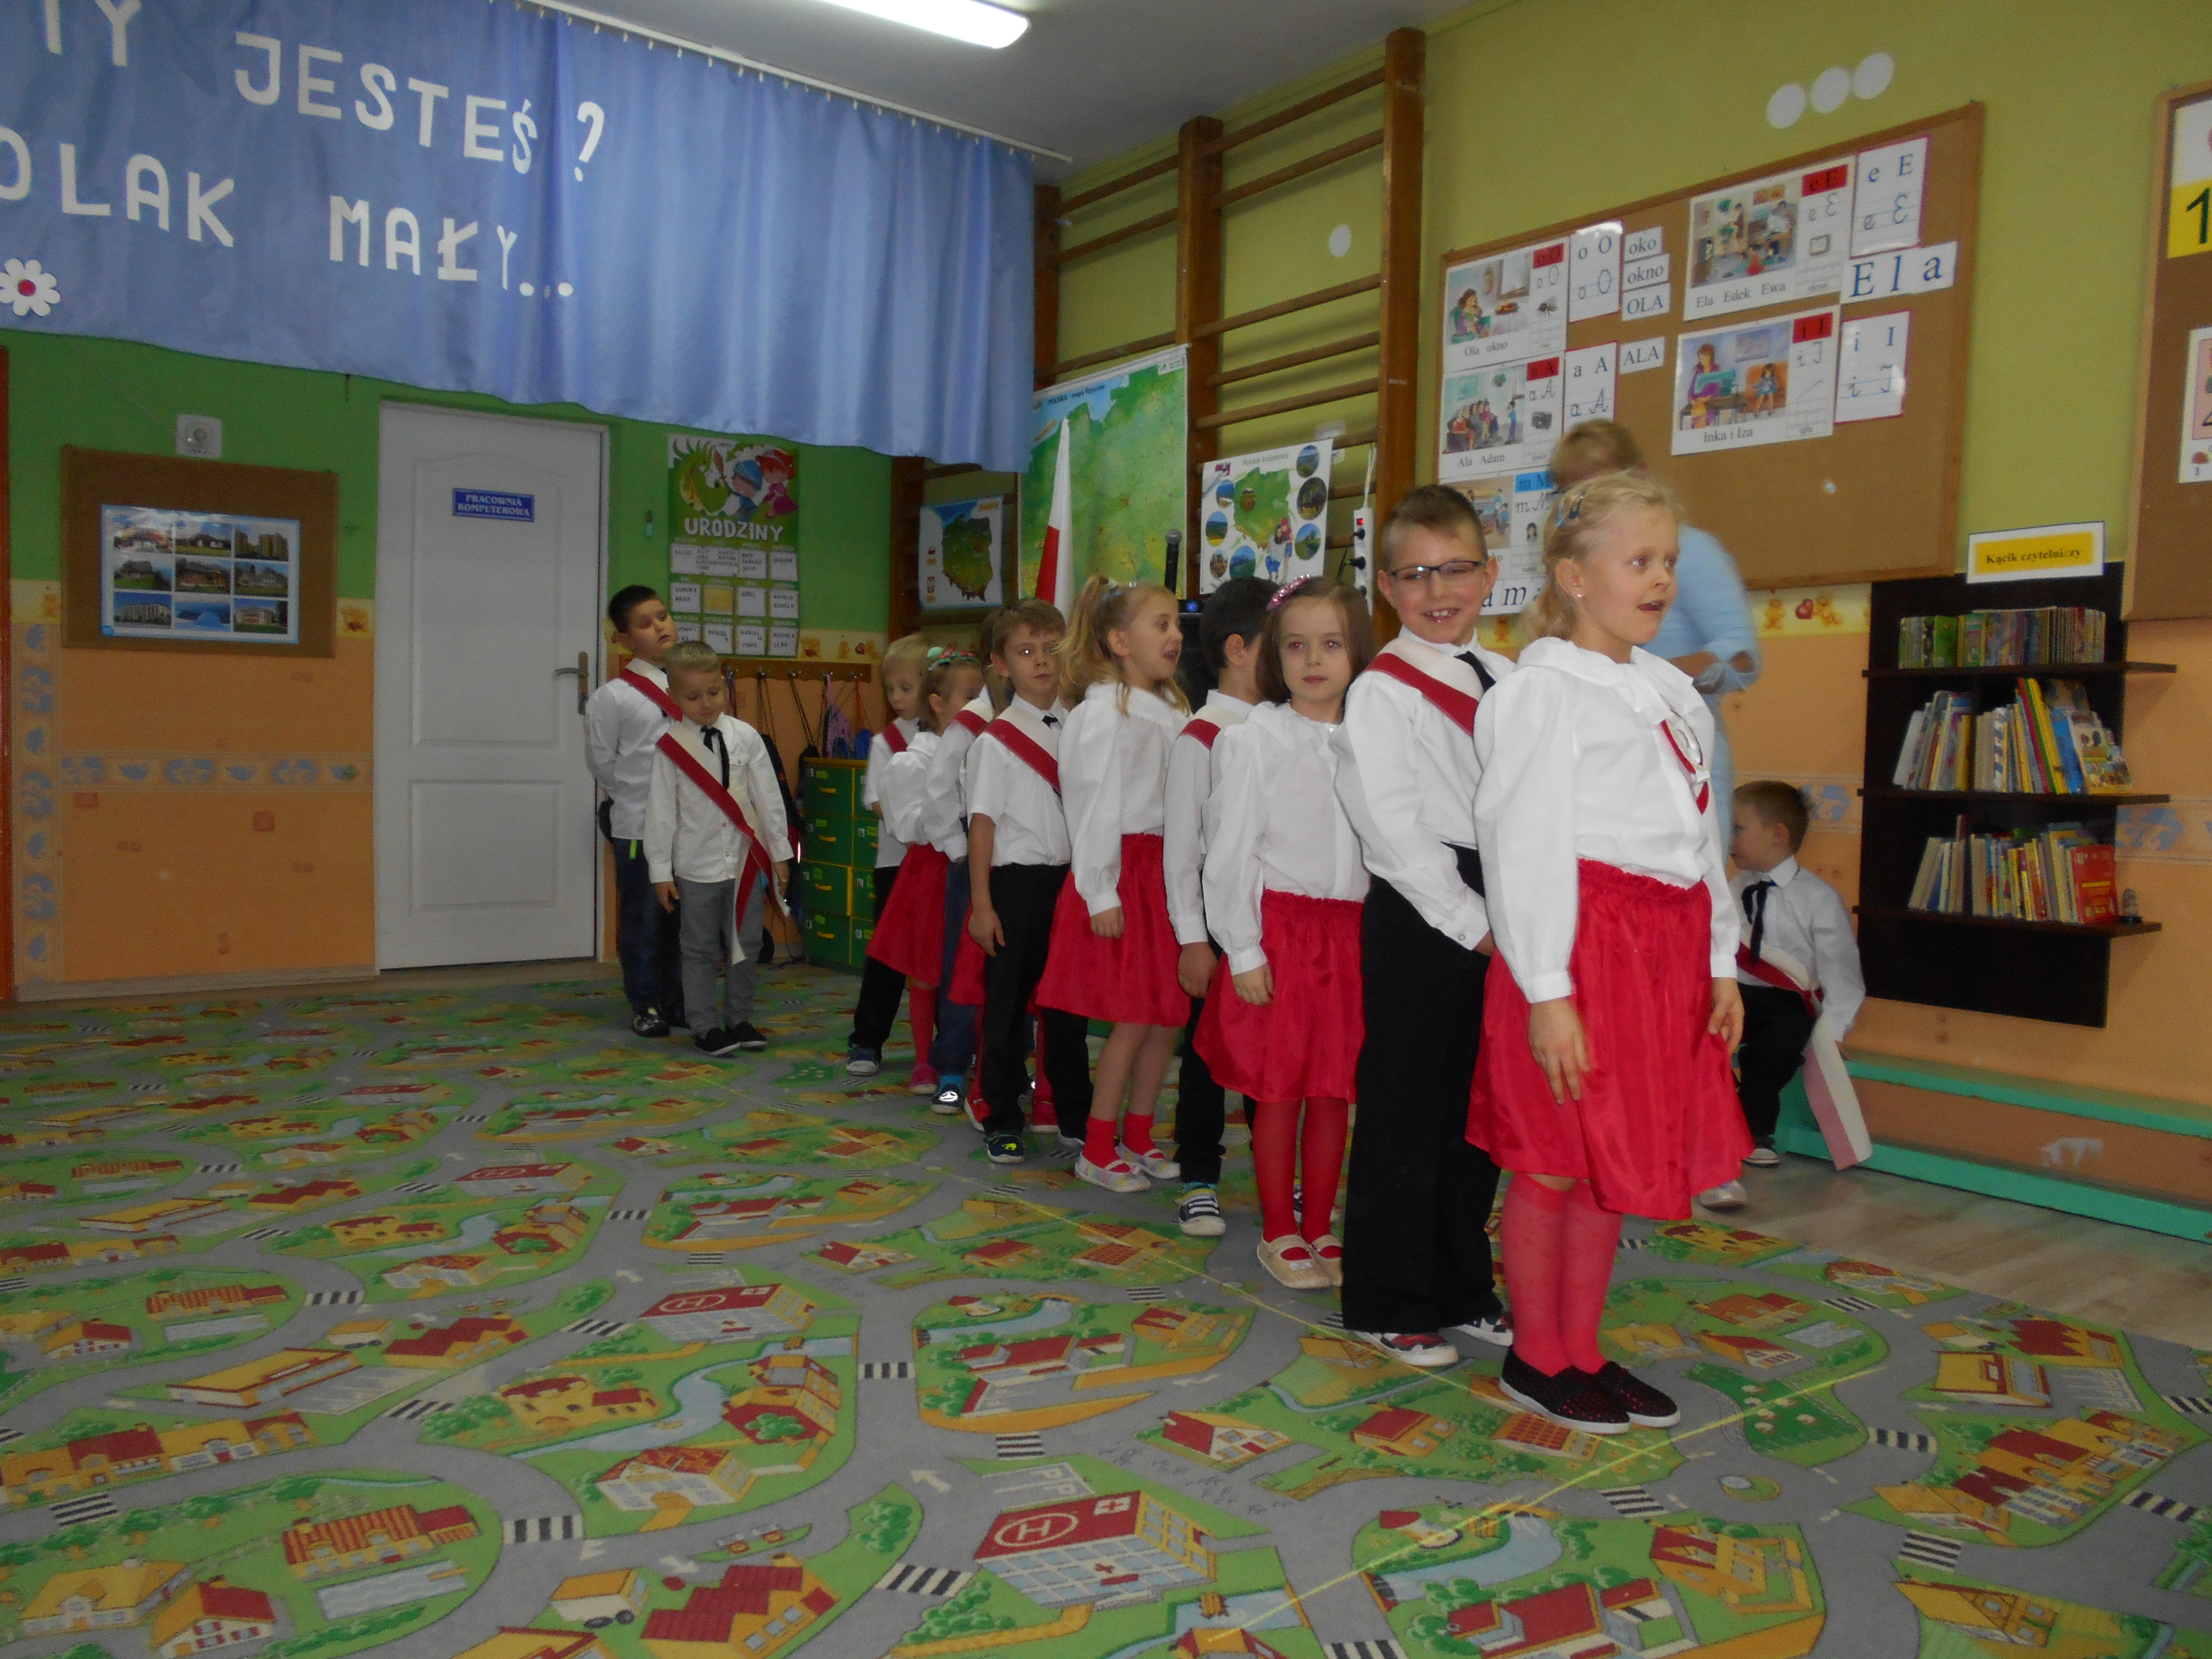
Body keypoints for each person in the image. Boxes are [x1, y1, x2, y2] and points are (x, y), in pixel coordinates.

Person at [1471, 469, 1749, 1434]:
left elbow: (1699, 838)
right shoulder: (1540, 693)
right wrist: (1546, 988)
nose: (1661, 578)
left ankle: (1583, 1348)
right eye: (1639, 560)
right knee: (1553, 1160)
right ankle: (1535, 1356)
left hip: (1661, 952)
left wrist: (1720, 960)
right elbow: (1521, 847)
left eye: (1667, 560)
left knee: (1609, 1163)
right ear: (1574, 577)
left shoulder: (1669, 691)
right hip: (1577, 949)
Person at [1332, 485, 1516, 1370]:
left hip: (1502, 896)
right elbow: (1390, 829)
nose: (1437, 590)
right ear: (1386, 586)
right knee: (1405, 1109)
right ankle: (1386, 1298)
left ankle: (1458, 1283)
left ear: (1489, 573)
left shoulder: (1509, 678)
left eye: (1455, 570)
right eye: (1415, 574)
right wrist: (1471, 924)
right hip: (1423, 909)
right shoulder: (1380, 691)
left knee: (1478, 1107)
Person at [1197, 578, 1372, 1289]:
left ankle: (1320, 1224)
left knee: (1333, 1088)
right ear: (1275, 656)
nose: (1314, 660)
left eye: (1331, 644)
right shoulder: (1252, 741)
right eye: (1296, 646)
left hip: (1350, 934)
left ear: (1358, 651)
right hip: (1283, 935)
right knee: (1279, 1089)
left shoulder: (1373, 740)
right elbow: (1229, 850)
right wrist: (1242, 947)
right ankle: (1279, 1228)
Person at [1037, 576, 1190, 1194]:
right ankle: (1098, 1146)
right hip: (1123, 873)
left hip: (1165, 874)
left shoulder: (1173, 711)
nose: (1175, 635)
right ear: (1120, 641)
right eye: (1161, 624)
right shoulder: (1105, 712)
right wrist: (1100, 890)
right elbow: (1092, 804)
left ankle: (1139, 1134)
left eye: (1176, 624)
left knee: (1164, 1017)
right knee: (1131, 1017)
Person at [1550, 420, 1760, 813]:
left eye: (1599, 482)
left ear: (1640, 475)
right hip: (1602, 760)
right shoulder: (1571, 565)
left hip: (1685, 756)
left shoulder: (1692, 550)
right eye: (1571, 490)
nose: (1586, 500)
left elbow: (1742, 655)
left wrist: (1645, 682)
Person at [1164, 577, 1276, 1239]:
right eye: (1282, 645)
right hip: (1215, 920)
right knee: (1207, 1053)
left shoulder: (1282, 729)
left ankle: (1275, 1174)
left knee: (1273, 1053)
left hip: (1274, 920)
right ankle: (1199, 1174)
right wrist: (1193, 938)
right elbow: (1182, 850)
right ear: (1238, 650)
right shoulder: (1202, 737)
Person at [965, 600, 1093, 1167]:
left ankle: (1074, 1114)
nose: (1041, 660)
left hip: (1070, 885)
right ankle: (1001, 1115)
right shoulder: (995, 741)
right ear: (1001, 665)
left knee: (1069, 1007)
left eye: (1050, 648)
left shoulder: (1083, 727)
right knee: (1007, 1008)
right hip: (1015, 888)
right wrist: (982, 905)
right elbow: (982, 826)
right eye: (1025, 651)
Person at [1704, 780, 1866, 1210]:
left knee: (1776, 1047)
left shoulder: (1818, 898)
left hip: (1787, 1003)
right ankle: (1713, 1121)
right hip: (1738, 995)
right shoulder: (1732, 889)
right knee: (1702, 1035)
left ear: (1777, 834)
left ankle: (1755, 1129)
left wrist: (1834, 1030)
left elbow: (1841, 970)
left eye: (1737, 828)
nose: (1728, 839)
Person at [644, 642, 792, 1057]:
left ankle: (740, 1019)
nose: (706, 704)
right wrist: (660, 871)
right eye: (693, 697)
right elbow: (660, 814)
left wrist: (780, 855)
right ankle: (705, 1025)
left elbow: (769, 799)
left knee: (747, 943)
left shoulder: (746, 737)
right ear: (673, 697)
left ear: (725, 686)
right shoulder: (670, 747)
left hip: (745, 862)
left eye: (714, 692)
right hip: (697, 865)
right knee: (699, 949)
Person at [862, 651, 985, 1108]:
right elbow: (906, 823)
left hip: (974, 868)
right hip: (932, 871)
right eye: (970, 697)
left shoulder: (987, 748)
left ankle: (971, 1052)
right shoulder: (915, 759)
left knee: (970, 966)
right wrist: (946, 817)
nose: (980, 705)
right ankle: (923, 1059)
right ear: (938, 703)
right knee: (927, 970)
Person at [584, 585, 685, 1037]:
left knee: (683, 919)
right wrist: (636, 798)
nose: (660, 627)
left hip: (689, 824)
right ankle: (646, 1002)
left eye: (663, 616)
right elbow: (602, 762)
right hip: (638, 823)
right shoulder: (614, 697)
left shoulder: (691, 684)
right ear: (623, 639)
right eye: (645, 624)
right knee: (644, 917)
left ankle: (678, 998)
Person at [846, 634, 934, 1088]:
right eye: (891, 689)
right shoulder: (887, 741)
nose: (897, 698)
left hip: (939, 866)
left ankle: (947, 1046)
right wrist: (917, 826)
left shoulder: (952, 735)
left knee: (938, 957)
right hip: (896, 865)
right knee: (887, 957)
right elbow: (876, 800)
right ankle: (867, 1039)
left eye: (906, 687)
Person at [919, 651, 992, 1117]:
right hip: (973, 855)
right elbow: (939, 791)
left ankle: (1000, 1062)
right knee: (962, 965)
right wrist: (960, 850)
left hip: (1023, 859)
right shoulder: (968, 726)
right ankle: (951, 1065)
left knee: (1013, 970)